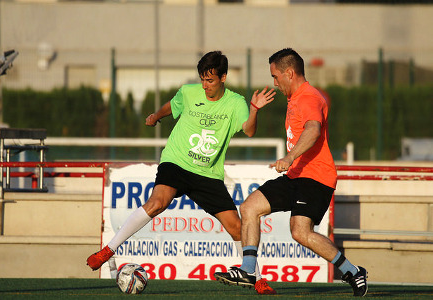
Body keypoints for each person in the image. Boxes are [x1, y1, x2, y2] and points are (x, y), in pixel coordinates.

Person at [87, 51, 277, 295]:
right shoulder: (189, 92)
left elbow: (249, 131)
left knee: (237, 228)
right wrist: (156, 116)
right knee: (157, 202)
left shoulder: (236, 102)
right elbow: (172, 105)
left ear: (223, 77)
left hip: (207, 174)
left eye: (210, 80)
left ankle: (256, 278)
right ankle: (109, 249)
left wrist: (254, 110)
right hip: (175, 162)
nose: (205, 85)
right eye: (202, 80)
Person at [213, 48, 368, 297]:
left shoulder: (309, 97)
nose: (274, 82)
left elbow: (313, 129)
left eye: (275, 76)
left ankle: (352, 271)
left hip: (316, 177)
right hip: (296, 175)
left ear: (289, 72)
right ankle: (249, 270)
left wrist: (289, 156)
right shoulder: (294, 98)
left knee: (300, 232)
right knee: (250, 207)